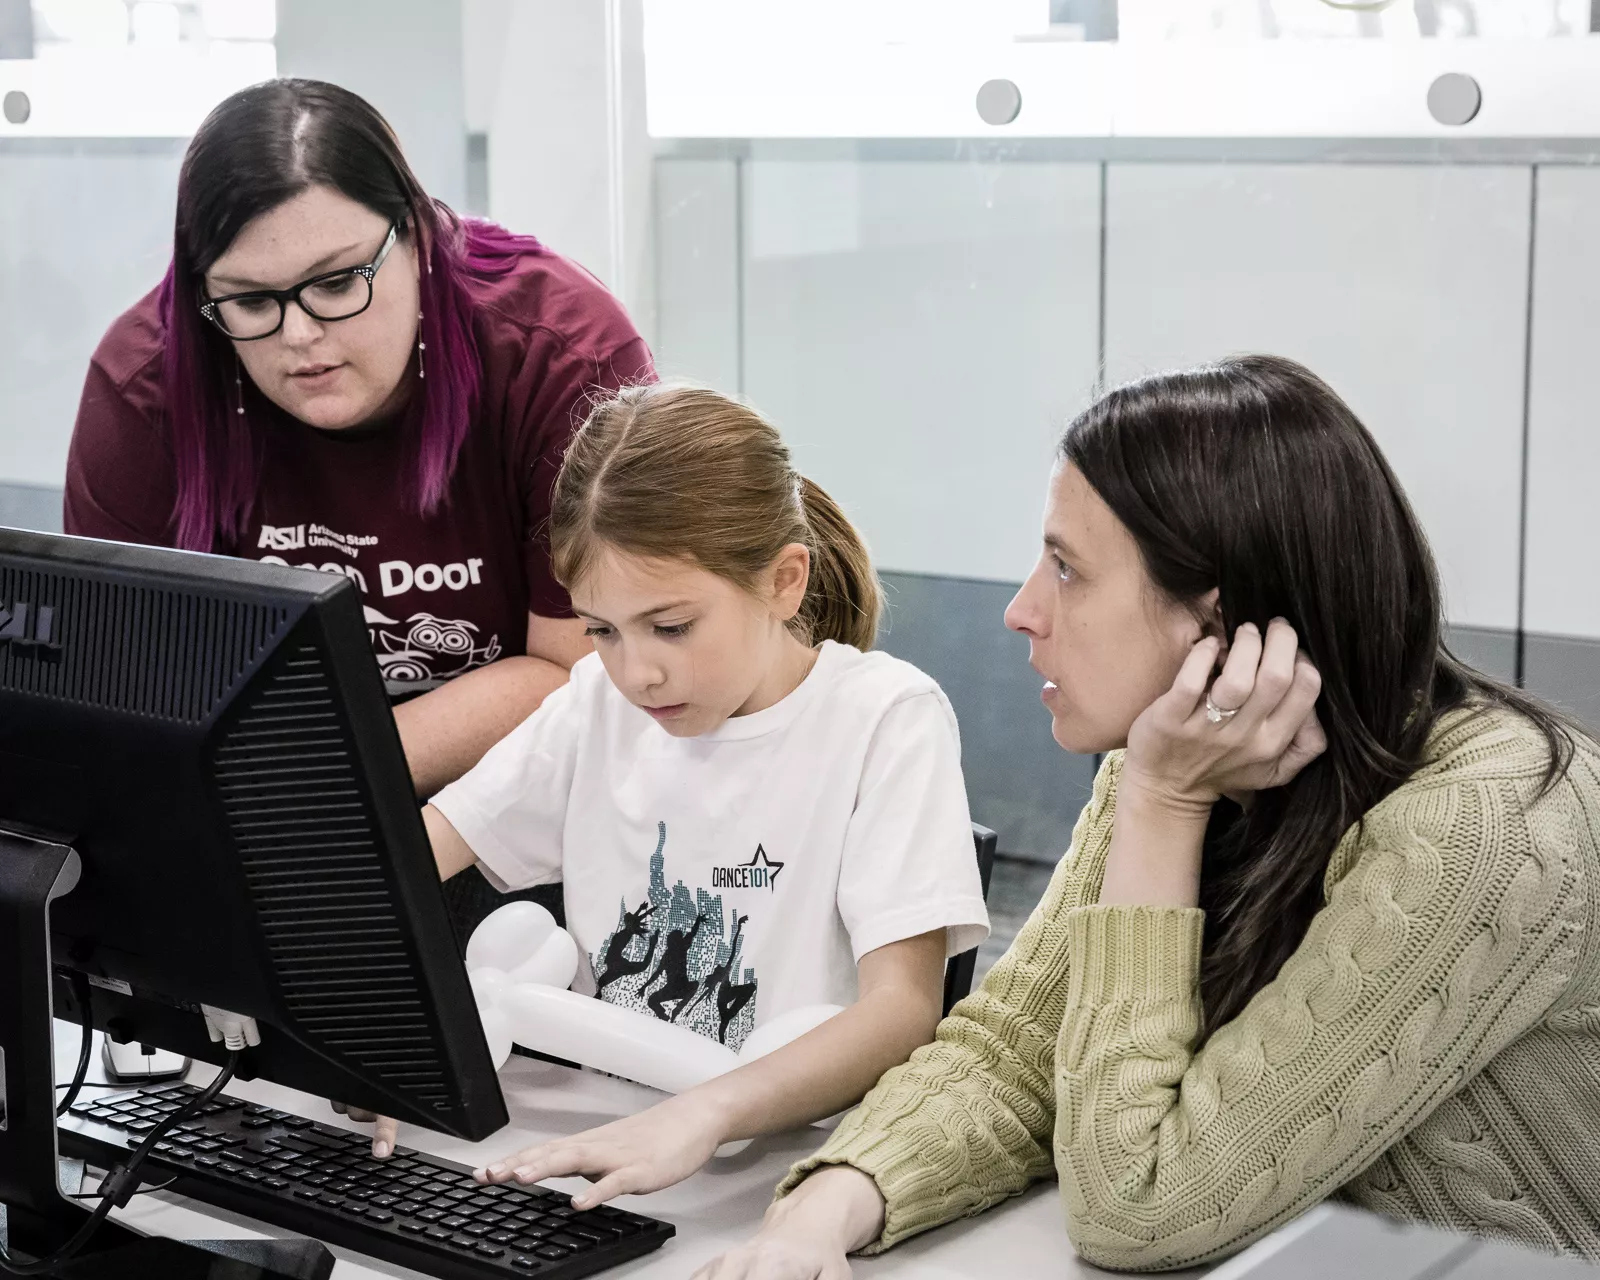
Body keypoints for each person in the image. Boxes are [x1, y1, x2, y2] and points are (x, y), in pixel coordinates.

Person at [700, 355, 1600, 1278]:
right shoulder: (1172, 755)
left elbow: (1138, 1205)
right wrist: (824, 1210)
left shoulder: (1488, 829)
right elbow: (1011, 1057)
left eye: (1067, 569)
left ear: (1222, 625)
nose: (1020, 610)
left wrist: (1165, 809)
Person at [358, 384, 991, 1204]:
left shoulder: (885, 720)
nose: (636, 672)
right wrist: (369, 1036)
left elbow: (905, 1010)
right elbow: (406, 861)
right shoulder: (597, 702)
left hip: (780, 1176)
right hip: (596, 1154)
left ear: (784, 582)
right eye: (602, 630)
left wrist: (705, 1113)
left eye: (672, 626)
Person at [63, 78, 654, 800]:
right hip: (248, 803)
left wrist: (316, 778)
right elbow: (113, 697)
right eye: (251, 301)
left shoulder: (565, 356)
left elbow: (588, 674)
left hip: (527, 791)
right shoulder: (145, 385)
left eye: (338, 283)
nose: (301, 337)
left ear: (416, 236)